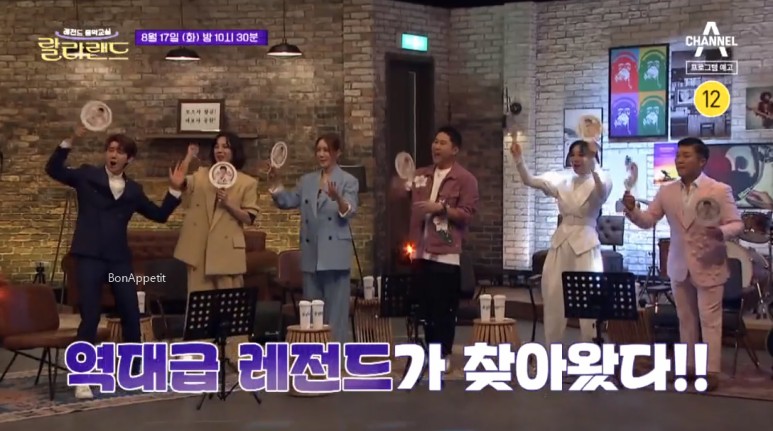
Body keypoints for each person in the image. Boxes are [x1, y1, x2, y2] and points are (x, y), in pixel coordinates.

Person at [46, 125, 184, 399]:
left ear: (128, 159)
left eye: (120, 152)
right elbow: (54, 169)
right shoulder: (87, 176)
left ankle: (133, 372)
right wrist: (70, 139)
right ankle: (82, 377)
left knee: (131, 313)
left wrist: (174, 190)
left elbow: (159, 215)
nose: (113, 155)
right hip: (89, 257)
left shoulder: (133, 190)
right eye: (110, 150)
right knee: (90, 315)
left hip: (118, 261)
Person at [622, 137, 743, 391]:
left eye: (686, 156)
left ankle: (710, 371)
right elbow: (648, 220)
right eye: (678, 156)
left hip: (709, 262)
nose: (679, 160)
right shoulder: (667, 191)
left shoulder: (719, 190)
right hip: (678, 264)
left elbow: (737, 224)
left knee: (709, 319)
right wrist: (632, 211)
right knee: (685, 319)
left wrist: (721, 232)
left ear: (702, 161)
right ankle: (688, 366)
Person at [390, 126, 479, 370]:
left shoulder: (465, 179)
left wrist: (441, 209)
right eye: (435, 142)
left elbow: (467, 214)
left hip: (446, 254)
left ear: (455, 149)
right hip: (420, 252)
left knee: (444, 309)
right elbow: (399, 193)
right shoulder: (421, 175)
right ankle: (430, 351)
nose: (436, 146)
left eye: (442, 143)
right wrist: (399, 185)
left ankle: (444, 354)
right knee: (426, 308)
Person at [510, 139, 612, 346]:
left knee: (589, 297)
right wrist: (519, 159)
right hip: (561, 243)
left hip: (585, 244)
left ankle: (590, 348)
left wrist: (593, 162)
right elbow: (530, 180)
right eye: (572, 154)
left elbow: (601, 192)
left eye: (581, 154)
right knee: (554, 294)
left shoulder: (602, 178)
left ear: (592, 157)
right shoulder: (562, 179)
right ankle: (552, 348)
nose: (575, 159)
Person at [173, 133, 260, 359]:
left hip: (227, 251)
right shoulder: (202, 175)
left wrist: (229, 204)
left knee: (231, 307)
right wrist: (188, 159)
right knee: (199, 310)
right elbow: (182, 183)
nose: (220, 151)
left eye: (225, 147)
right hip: (198, 251)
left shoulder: (247, 182)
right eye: (217, 147)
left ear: (234, 151)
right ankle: (199, 356)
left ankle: (235, 355)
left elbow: (249, 217)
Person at [268, 133, 358, 343]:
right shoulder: (307, 181)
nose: (321, 154)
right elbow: (287, 201)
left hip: (335, 256)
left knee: (335, 316)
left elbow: (349, 211)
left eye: (326, 150)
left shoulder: (348, 181)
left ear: (337, 153)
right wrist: (275, 182)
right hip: (311, 256)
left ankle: (336, 355)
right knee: (311, 316)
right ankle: (314, 354)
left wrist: (337, 198)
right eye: (318, 150)